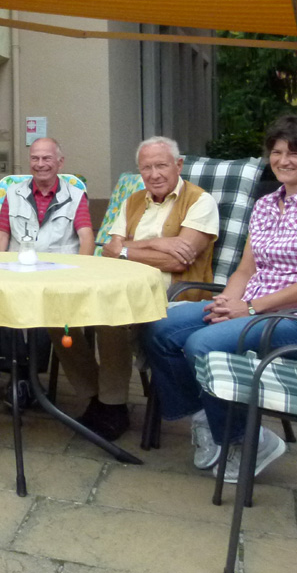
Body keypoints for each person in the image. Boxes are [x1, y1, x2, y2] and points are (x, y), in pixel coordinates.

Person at [142, 115, 297, 483]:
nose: (284, 161)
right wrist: (226, 303)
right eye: (277, 152)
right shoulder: (267, 205)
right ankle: (207, 419)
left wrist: (250, 308)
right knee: (159, 327)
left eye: (295, 153)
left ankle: (247, 440)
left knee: (202, 343)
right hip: (253, 311)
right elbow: (244, 270)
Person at [96, 135, 219, 439]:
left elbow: (180, 261)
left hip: (177, 297)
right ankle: (99, 400)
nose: (153, 174)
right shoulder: (133, 201)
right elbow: (111, 250)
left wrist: (128, 248)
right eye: (146, 168)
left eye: (161, 165)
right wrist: (158, 244)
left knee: (111, 320)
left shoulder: (200, 202)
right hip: (126, 289)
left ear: (178, 165)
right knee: (74, 320)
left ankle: (111, 407)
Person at [0, 138, 98, 423]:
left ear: (60, 162)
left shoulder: (75, 196)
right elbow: (1, 235)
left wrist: (80, 274)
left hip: (57, 276)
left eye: (46, 158)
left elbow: (87, 237)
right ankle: (18, 378)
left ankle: (30, 381)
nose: (40, 164)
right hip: (18, 273)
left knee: (49, 317)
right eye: (35, 159)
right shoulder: (13, 193)